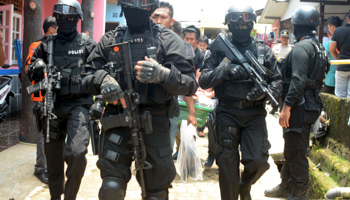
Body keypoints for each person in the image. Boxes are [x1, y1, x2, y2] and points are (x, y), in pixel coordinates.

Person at [83, 0, 197, 199]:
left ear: (151, 7)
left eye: (142, 5)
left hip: (155, 122)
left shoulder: (168, 39)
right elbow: (86, 76)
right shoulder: (110, 40)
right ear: (122, 7)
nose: (136, 10)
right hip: (117, 120)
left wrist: (163, 75)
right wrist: (103, 79)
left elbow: (190, 84)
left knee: (156, 192)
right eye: (130, 5)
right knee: (111, 189)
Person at [199, 3, 282, 200]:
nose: (242, 27)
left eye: (246, 24)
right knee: (227, 166)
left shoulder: (263, 51)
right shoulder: (218, 49)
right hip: (227, 112)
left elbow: (277, 79)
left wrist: (265, 93)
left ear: (252, 23)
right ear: (228, 23)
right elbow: (204, 80)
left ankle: (244, 187)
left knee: (259, 161)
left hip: (254, 113)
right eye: (237, 23)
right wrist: (225, 70)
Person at [27, 0, 97, 199]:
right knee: (53, 160)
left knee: (76, 153)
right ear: (56, 19)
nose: (65, 21)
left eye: (70, 17)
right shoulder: (46, 44)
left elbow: (100, 72)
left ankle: (70, 196)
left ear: (77, 19)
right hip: (54, 104)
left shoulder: (87, 45)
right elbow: (31, 70)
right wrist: (38, 67)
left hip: (79, 104)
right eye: (61, 17)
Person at [265, 6, 327, 200]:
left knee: (297, 152)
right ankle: (286, 185)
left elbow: (298, 80)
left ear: (296, 27)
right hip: (310, 103)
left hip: (299, 106)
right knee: (292, 148)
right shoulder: (319, 47)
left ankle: (299, 193)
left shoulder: (301, 47)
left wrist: (286, 107)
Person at [151, 1, 197, 151]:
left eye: (163, 17)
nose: (158, 21)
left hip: (167, 108)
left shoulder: (180, 47)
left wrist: (191, 112)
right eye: (155, 16)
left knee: (164, 153)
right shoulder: (141, 42)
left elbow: (187, 82)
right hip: (141, 108)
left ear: (171, 21)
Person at [25, 16, 58, 185]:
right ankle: (40, 168)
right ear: (51, 28)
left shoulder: (58, 44)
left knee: (54, 132)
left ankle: (50, 165)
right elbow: (27, 68)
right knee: (42, 133)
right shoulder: (37, 45)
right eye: (57, 27)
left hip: (56, 96)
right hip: (41, 96)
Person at [270, 30, 292, 114]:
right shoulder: (275, 47)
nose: (284, 39)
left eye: (286, 38)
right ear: (280, 38)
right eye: (283, 37)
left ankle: (282, 107)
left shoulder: (290, 49)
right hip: (276, 69)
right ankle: (274, 107)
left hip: (286, 71)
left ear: (288, 39)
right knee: (275, 87)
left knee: (284, 90)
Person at [329, 12, 350, 98]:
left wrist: (339, 59)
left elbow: (331, 50)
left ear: (348, 19)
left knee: (339, 96)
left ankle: (340, 112)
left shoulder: (338, 30)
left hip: (342, 66)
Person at [322, 16, 341, 95]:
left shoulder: (328, 44)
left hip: (331, 79)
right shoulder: (344, 39)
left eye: (329, 27)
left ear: (332, 27)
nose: (329, 29)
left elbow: (323, 59)